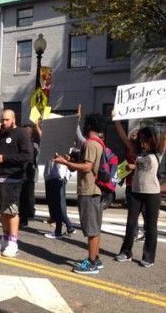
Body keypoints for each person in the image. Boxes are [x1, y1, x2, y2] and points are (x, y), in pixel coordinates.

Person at [53, 113, 105, 274]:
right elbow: (83, 165)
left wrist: (65, 162)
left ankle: (91, 263)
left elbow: (88, 167)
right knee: (94, 227)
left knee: (91, 229)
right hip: (94, 190)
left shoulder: (90, 144)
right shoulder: (99, 143)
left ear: (89, 126)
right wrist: (70, 161)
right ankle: (95, 258)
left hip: (89, 190)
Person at [114, 121, 165, 268]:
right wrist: (117, 120)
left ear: (150, 139)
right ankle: (126, 252)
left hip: (152, 193)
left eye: (143, 138)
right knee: (131, 223)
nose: (140, 141)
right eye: (140, 138)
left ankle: (148, 257)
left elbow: (164, 137)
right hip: (136, 192)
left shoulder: (158, 152)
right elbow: (123, 137)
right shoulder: (137, 151)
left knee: (151, 226)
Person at [0, 110, 33, 257]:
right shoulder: (0, 133)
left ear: (14, 119)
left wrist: (5, 158)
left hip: (13, 178)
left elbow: (27, 155)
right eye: (2, 120)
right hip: (0, 177)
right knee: (3, 211)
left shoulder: (21, 134)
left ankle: (13, 243)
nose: (4, 122)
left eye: (7, 120)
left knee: (12, 211)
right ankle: (5, 239)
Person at [43, 158, 76, 239]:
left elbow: (64, 161)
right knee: (58, 204)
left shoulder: (61, 149)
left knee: (58, 205)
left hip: (57, 177)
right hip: (55, 177)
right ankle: (66, 228)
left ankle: (62, 229)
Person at [19, 123, 40, 227]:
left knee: (26, 196)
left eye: (23, 131)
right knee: (26, 196)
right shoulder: (28, 144)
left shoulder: (32, 145)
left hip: (28, 174)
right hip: (26, 174)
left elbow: (31, 159)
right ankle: (27, 216)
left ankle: (25, 218)